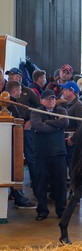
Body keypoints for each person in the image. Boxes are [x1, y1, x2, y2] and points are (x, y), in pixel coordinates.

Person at [30, 89, 69, 221]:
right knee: (41, 183)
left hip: (59, 153)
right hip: (41, 154)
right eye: (48, 99)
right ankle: (42, 210)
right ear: (42, 100)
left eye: (53, 99)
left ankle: (61, 210)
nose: (51, 101)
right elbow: (38, 126)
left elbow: (65, 122)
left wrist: (48, 122)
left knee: (61, 183)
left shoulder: (61, 111)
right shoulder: (36, 111)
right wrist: (55, 126)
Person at [6, 67, 41, 197]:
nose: (10, 77)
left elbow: (38, 107)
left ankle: (37, 188)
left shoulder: (28, 92)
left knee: (30, 158)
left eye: (13, 75)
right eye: (9, 75)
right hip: (11, 131)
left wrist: (31, 121)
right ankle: (12, 191)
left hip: (26, 128)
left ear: (20, 77)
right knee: (11, 159)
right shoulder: (6, 94)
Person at [60, 81, 82, 175]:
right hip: (68, 139)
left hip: (72, 141)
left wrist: (73, 139)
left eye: (65, 90)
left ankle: (76, 186)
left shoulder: (78, 105)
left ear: (72, 91)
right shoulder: (70, 104)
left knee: (73, 165)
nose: (62, 92)